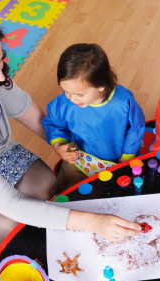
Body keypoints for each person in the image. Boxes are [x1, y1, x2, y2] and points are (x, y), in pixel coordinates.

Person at [0, 5, 141, 271]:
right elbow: (10, 203)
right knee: (17, 228)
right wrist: (94, 222)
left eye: (0, 62)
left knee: (47, 185)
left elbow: (26, 110)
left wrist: (65, 146)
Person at [42, 43, 145, 193]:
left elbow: (136, 128)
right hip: (78, 161)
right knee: (69, 195)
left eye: (80, 95)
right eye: (65, 91)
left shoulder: (123, 102)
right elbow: (55, 125)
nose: (72, 99)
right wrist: (58, 146)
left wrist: (125, 159)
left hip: (117, 161)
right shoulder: (63, 104)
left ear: (101, 85)